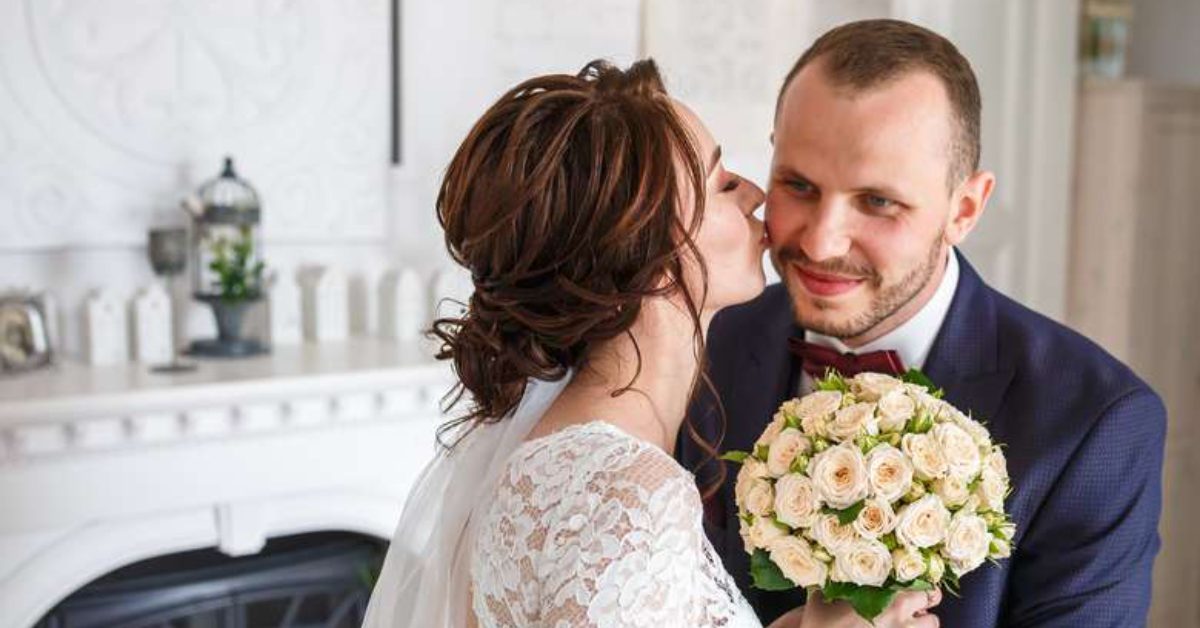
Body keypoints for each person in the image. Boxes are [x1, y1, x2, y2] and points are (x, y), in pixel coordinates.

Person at [363, 59, 941, 627]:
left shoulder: (551, 462)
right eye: (720, 183)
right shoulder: (629, 493)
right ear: (651, 259)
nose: (756, 194)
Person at [680, 19, 1167, 628]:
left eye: (878, 202)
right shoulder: (704, 340)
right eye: (798, 185)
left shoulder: (1095, 423)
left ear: (964, 209)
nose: (823, 241)